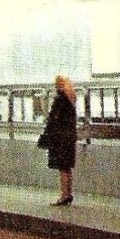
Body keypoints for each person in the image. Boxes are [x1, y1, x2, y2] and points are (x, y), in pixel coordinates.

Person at [37, 74, 78, 205]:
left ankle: (64, 195)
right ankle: (68, 193)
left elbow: (53, 118)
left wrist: (44, 107)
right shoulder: (71, 98)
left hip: (60, 137)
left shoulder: (60, 99)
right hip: (69, 136)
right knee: (67, 167)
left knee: (62, 167)